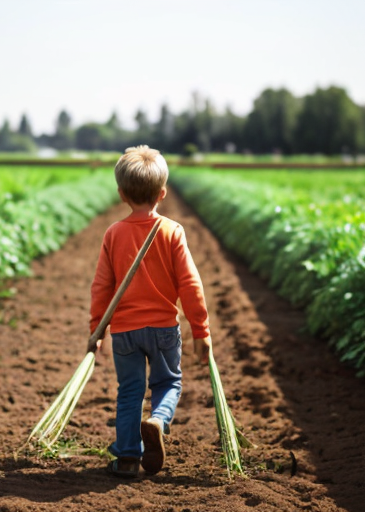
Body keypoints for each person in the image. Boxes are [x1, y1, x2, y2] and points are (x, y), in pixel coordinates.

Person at [90, 145, 212, 478]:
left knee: (129, 390)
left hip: (125, 332)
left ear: (121, 194)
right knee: (168, 383)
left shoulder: (114, 234)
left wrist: (96, 331)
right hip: (162, 330)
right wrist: (201, 331)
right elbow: (190, 284)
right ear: (162, 193)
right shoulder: (172, 232)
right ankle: (158, 420)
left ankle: (128, 457)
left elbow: (101, 286)